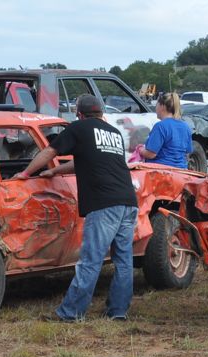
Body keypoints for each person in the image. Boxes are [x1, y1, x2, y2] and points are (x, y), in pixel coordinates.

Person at [13, 94, 137, 322]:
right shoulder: (114, 133)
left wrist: (26, 173)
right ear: (100, 112)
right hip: (128, 201)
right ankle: (118, 311)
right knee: (124, 261)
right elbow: (87, 160)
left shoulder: (78, 128)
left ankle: (71, 313)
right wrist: (55, 171)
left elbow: (50, 151)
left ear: (79, 113)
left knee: (91, 260)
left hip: (104, 203)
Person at [137, 92, 191, 169]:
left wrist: (140, 150)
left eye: (157, 104)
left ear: (162, 106)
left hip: (161, 172)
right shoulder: (186, 126)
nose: (155, 108)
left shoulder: (160, 126)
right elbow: (187, 152)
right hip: (181, 171)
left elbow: (151, 154)